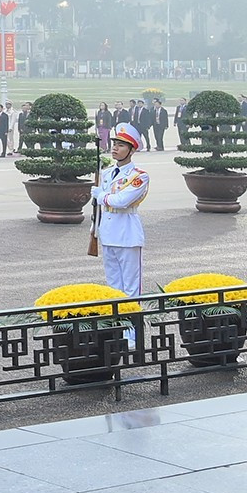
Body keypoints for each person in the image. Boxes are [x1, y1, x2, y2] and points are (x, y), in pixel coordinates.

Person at [92, 122, 150, 345]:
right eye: (114, 143)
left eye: (121, 145)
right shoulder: (106, 173)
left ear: (132, 149)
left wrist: (101, 196)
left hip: (127, 235)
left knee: (131, 288)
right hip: (107, 234)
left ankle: (132, 334)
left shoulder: (139, 176)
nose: (115, 148)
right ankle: (116, 330)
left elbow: (122, 201)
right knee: (113, 287)